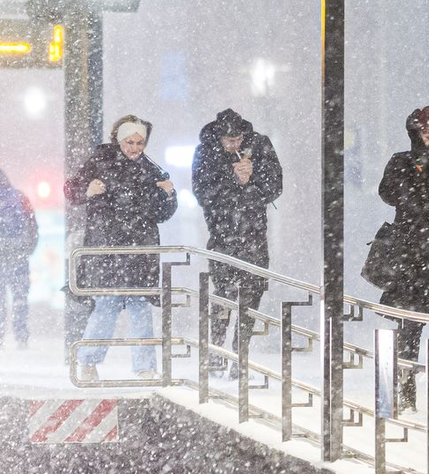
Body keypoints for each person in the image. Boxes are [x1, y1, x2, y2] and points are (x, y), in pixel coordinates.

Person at [64, 115, 177, 380]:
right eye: (130, 142)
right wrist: (87, 190)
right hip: (108, 249)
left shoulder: (152, 170)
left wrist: (169, 195)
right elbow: (71, 190)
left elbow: (161, 214)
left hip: (139, 250)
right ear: (119, 139)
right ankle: (89, 362)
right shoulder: (100, 161)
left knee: (138, 307)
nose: (135, 148)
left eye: (140, 143)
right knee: (107, 305)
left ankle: (144, 367)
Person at [191, 109, 284, 371]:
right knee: (223, 295)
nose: (234, 144)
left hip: (254, 234)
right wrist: (233, 179)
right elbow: (202, 192)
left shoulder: (260, 145)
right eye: (229, 140)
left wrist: (252, 177)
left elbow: (275, 186)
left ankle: (239, 356)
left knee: (252, 296)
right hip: (222, 236)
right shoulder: (206, 151)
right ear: (219, 137)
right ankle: (217, 353)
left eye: (238, 139)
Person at [377, 106, 429, 410]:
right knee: (409, 327)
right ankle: (404, 390)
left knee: (413, 326)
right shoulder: (402, 160)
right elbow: (386, 192)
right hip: (412, 257)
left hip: (425, 255)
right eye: (426, 127)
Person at [0, 168, 38, 349]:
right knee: (20, 298)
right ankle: (21, 338)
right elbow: (33, 226)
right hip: (18, 257)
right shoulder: (20, 198)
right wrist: (27, 249)